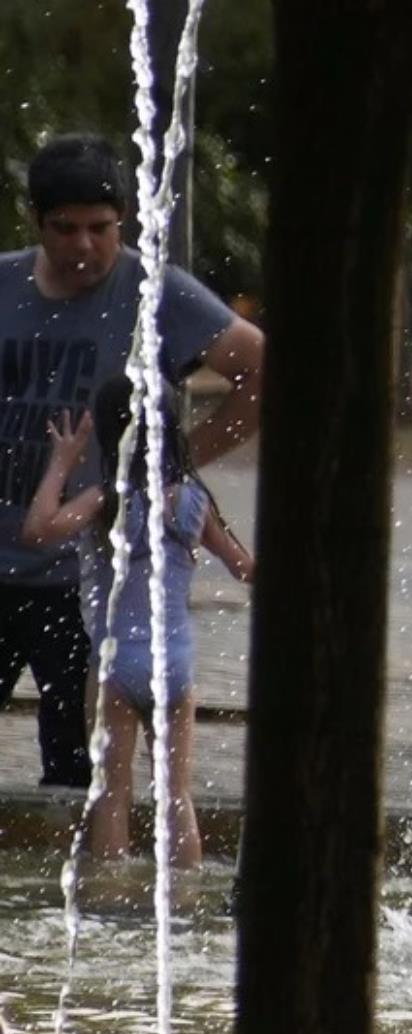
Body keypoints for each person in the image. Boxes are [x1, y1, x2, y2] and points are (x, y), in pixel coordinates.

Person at [0, 134, 263, 789]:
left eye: (101, 228)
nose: (85, 246)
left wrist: (174, 461)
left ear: (123, 221)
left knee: (81, 775)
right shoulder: (5, 285)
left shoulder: (155, 292)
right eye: (66, 229)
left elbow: (260, 369)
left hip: (87, 582)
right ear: (36, 221)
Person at [22, 378, 252, 867]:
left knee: (112, 793)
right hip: (176, 667)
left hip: (116, 667)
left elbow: (37, 530)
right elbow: (244, 568)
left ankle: (112, 894)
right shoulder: (193, 501)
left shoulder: (106, 501)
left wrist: (62, 462)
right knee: (177, 795)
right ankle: (185, 893)